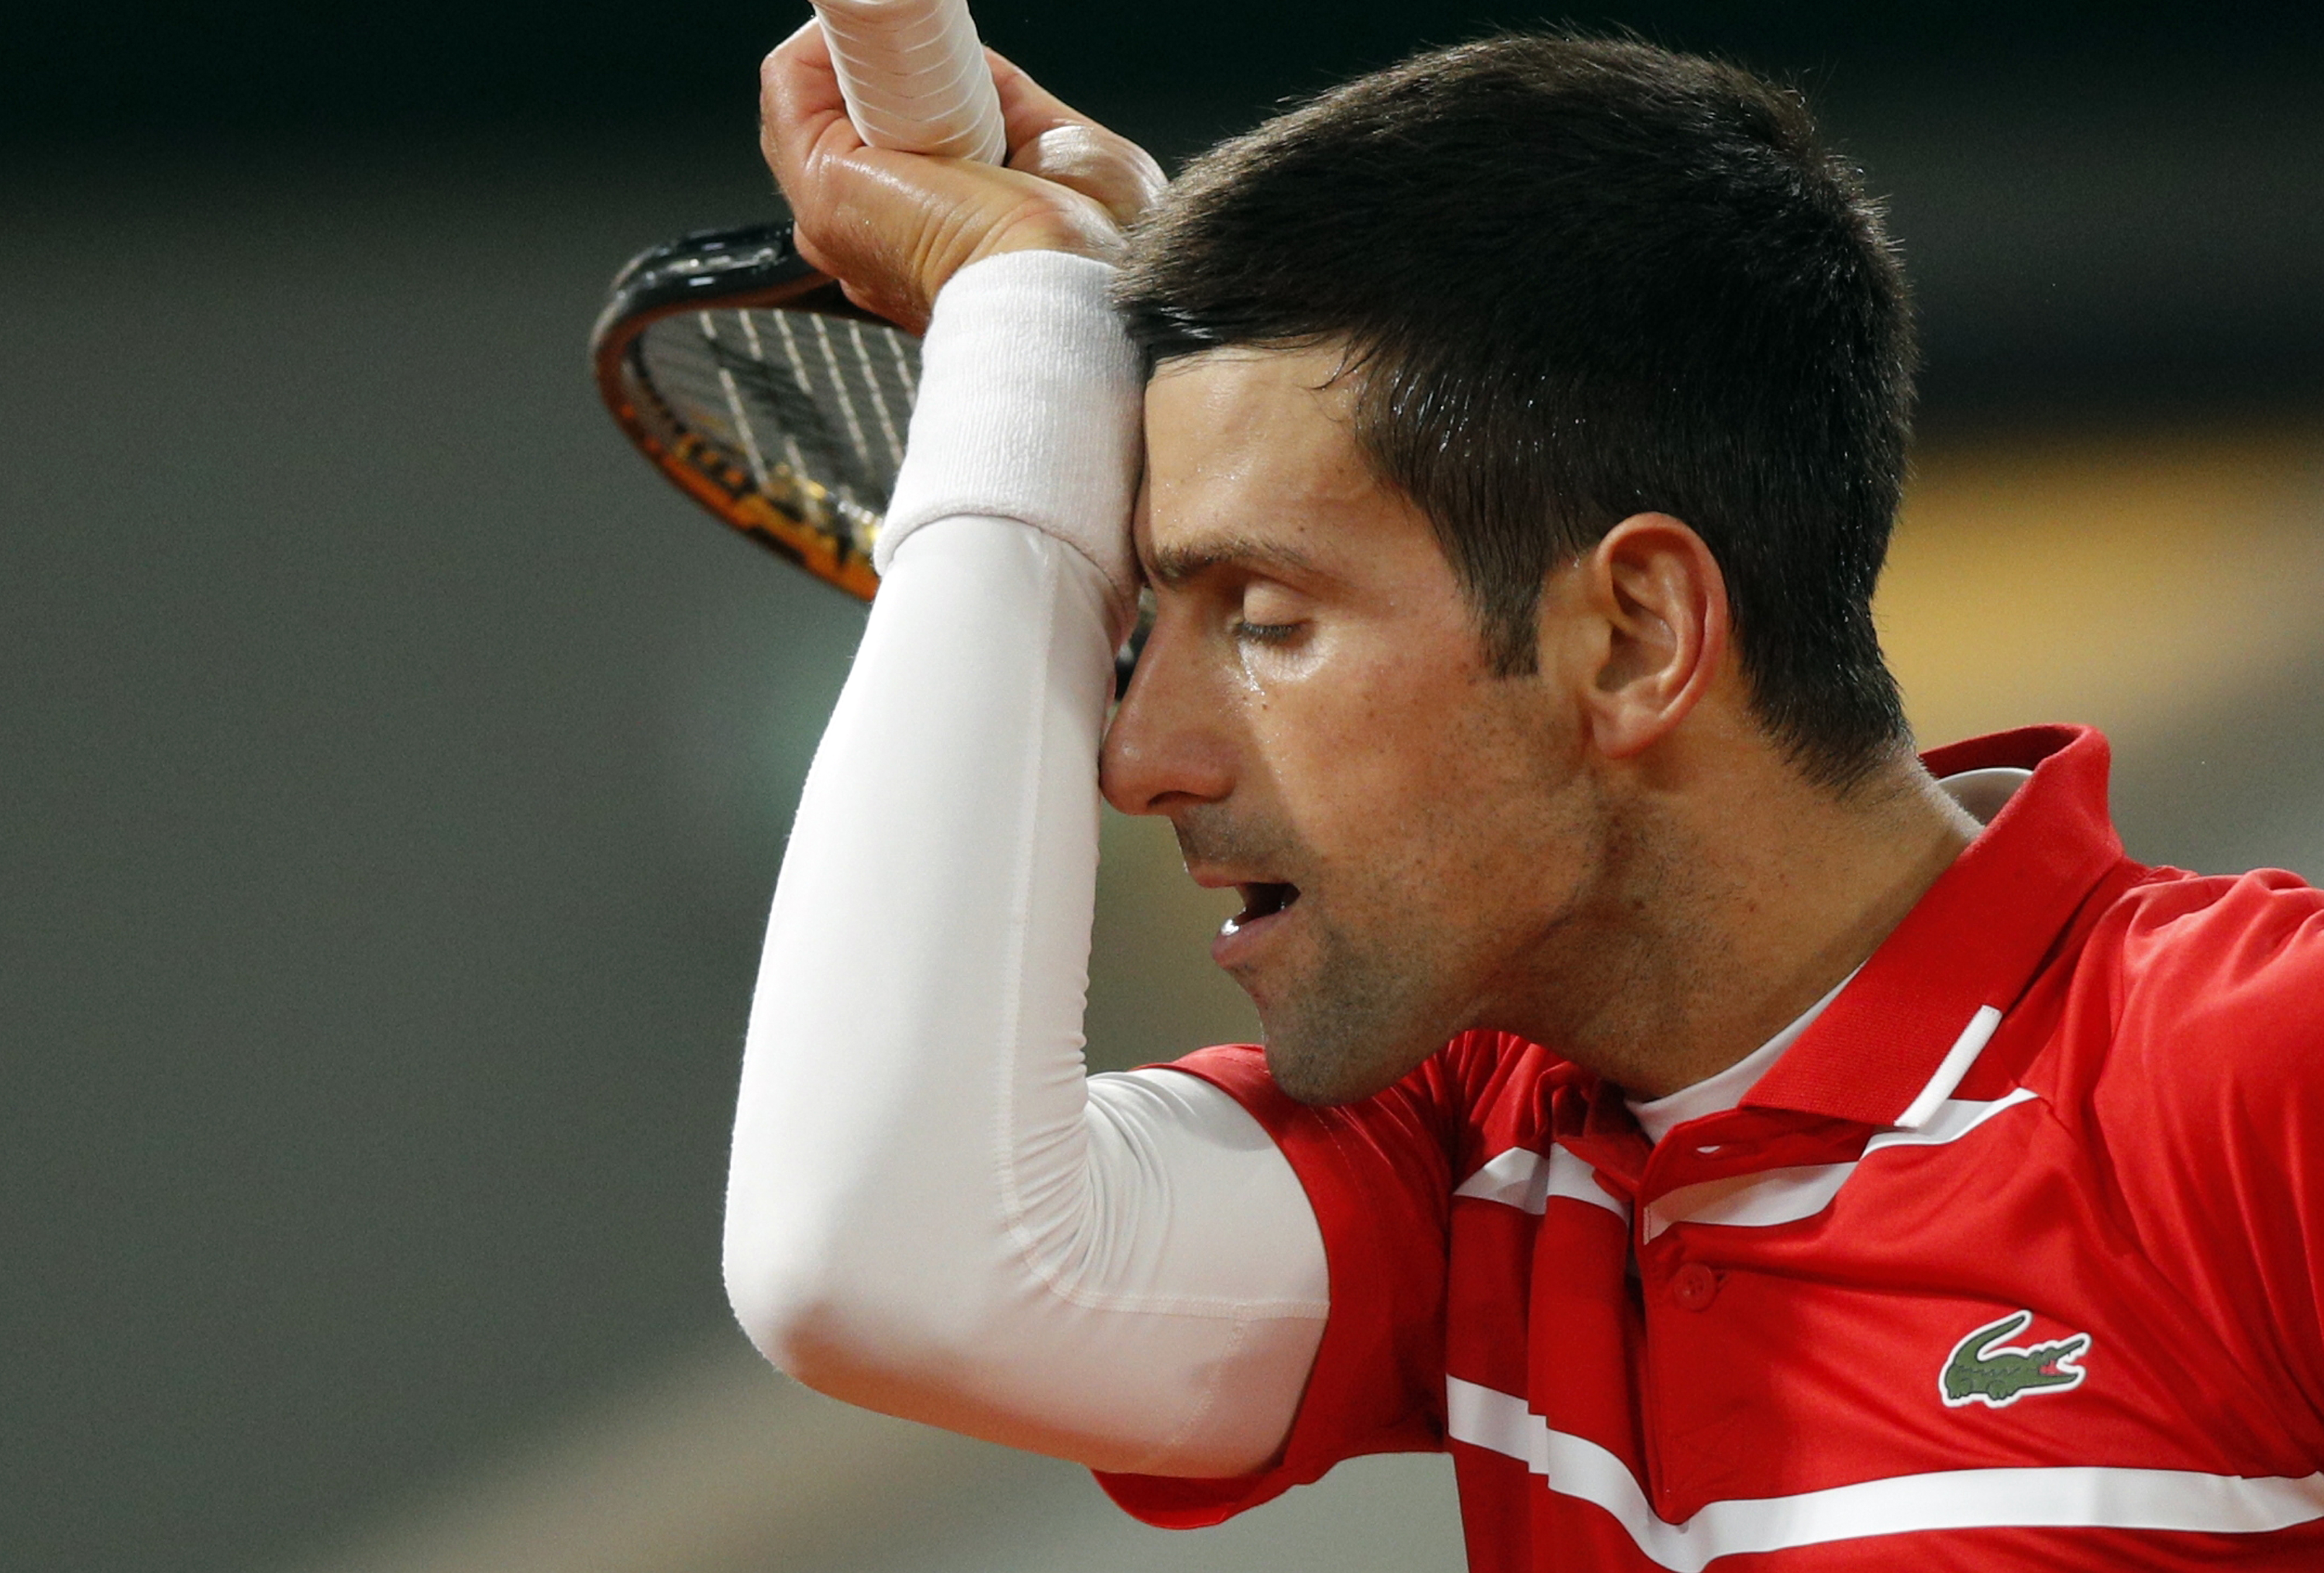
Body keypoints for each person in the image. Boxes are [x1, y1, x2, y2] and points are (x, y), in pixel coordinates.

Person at [722, 20, 2324, 1571]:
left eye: (1266, 621)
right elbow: (878, 1258)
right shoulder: (1460, 1156)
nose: (1138, 758)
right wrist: (1033, 333)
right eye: (1155, 622)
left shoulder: (2254, 1071)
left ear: (1632, 635)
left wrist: (1037, 326)